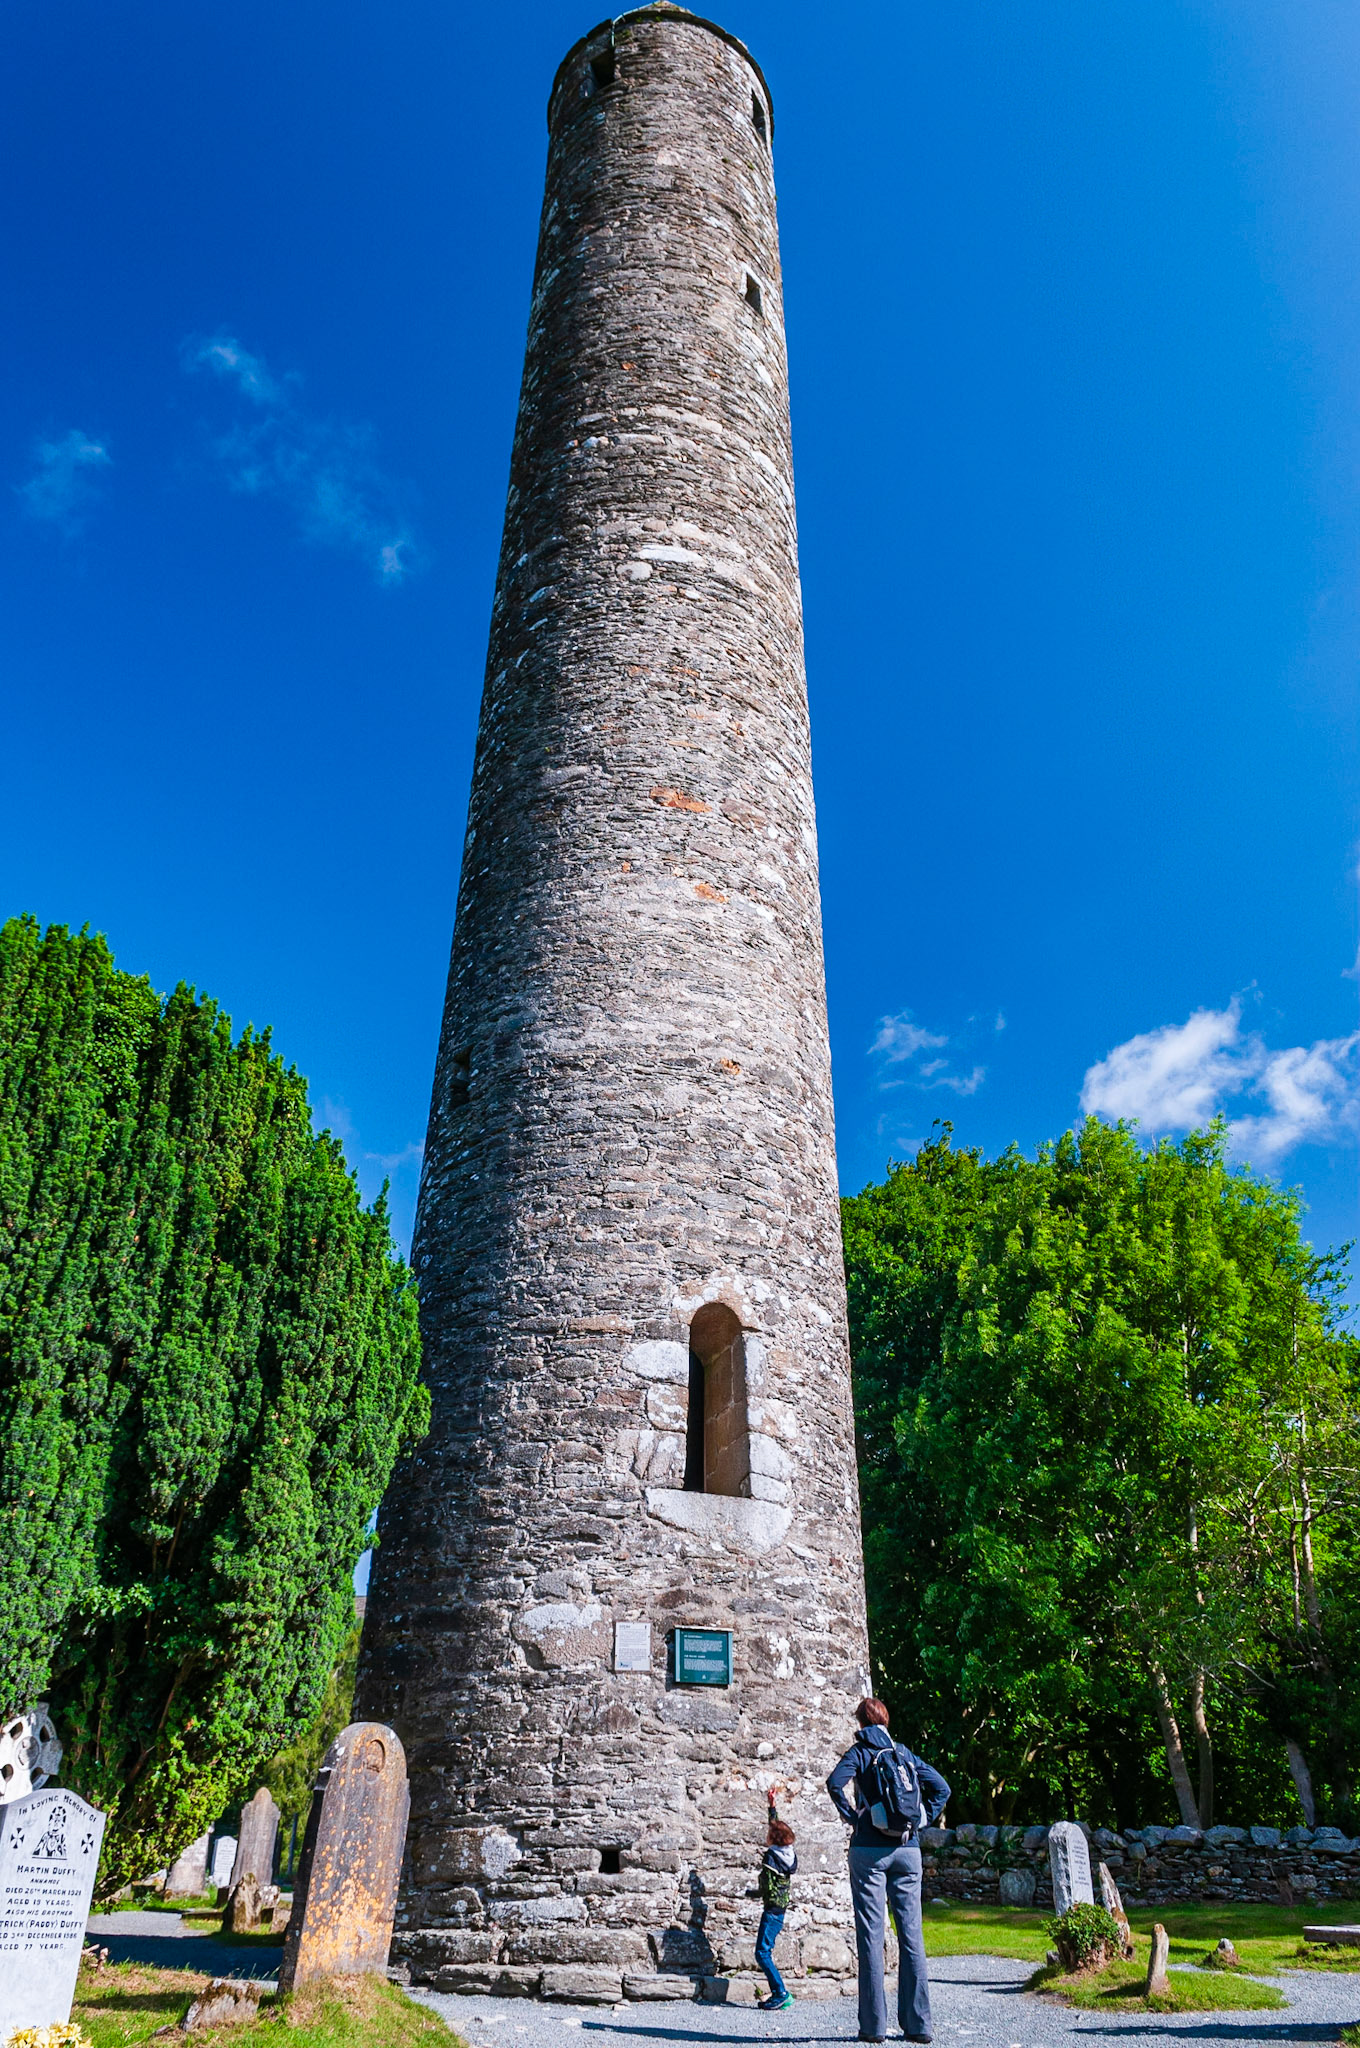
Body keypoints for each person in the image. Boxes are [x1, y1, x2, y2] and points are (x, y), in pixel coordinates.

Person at [826, 1698, 950, 2045]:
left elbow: (835, 1783)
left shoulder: (860, 1752)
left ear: (861, 1723)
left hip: (869, 1851)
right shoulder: (903, 1752)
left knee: (871, 1936)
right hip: (908, 1851)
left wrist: (853, 1818)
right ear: (886, 1721)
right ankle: (919, 2025)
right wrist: (922, 1820)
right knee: (912, 1937)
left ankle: (874, 2027)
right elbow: (942, 1788)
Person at [754, 1787, 797, 2011]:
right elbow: (776, 1828)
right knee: (764, 1951)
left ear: (774, 1839)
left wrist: (754, 1893)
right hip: (780, 1909)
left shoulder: (772, 1857)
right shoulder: (787, 1852)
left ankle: (780, 1993)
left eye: (770, 1834)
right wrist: (772, 1806)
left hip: (772, 1910)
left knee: (762, 1952)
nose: (767, 1835)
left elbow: (767, 1886)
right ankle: (778, 1992)